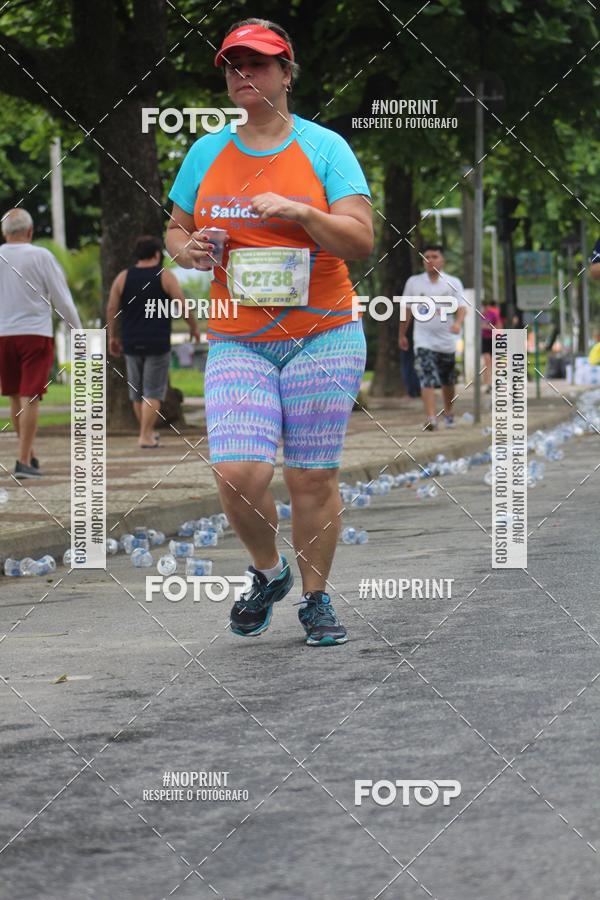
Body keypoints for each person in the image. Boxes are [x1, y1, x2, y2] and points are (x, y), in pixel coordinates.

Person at [166, 18, 373, 646]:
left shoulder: (325, 148)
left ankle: (316, 599)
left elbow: (360, 240)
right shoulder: (206, 152)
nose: (243, 74)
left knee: (310, 477)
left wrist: (302, 212)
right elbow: (175, 231)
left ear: (286, 73)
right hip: (239, 338)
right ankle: (268, 571)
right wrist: (190, 249)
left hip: (323, 334)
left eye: (257, 63)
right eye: (233, 65)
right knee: (237, 472)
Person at [0, 208, 82, 478]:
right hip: (35, 334)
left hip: (3, 335)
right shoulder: (41, 256)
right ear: (30, 231)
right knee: (31, 395)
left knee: (15, 395)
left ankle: (29, 454)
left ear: (4, 232)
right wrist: (77, 331)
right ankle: (23, 461)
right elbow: (62, 299)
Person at [106, 235, 199, 448]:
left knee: (137, 393)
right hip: (157, 342)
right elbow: (182, 304)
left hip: (130, 341)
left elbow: (111, 307)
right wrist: (193, 327)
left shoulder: (123, 277)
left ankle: (146, 433)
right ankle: (145, 435)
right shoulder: (164, 276)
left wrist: (112, 336)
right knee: (153, 391)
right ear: (157, 254)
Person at [398, 244, 467, 430]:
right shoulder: (414, 282)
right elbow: (406, 309)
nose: (430, 260)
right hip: (423, 338)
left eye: (434, 256)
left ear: (442, 260)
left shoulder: (453, 282)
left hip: (447, 340)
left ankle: (448, 412)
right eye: (426, 257)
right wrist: (402, 334)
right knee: (426, 375)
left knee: (447, 380)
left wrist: (458, 323)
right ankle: (431, 417)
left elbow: (462, 307)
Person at [481, 298, 502, 392]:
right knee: (487, 361)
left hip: (493, 338)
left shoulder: (493, 314)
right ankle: (487, 384)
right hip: (484, 339)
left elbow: (499, 326)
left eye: (485, 307)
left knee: (495, 362)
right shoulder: (480, 315)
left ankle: (496, 382)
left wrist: (488, 327)